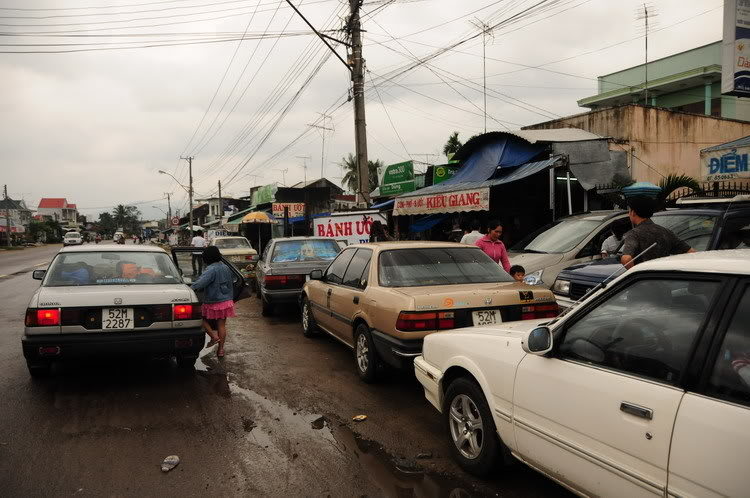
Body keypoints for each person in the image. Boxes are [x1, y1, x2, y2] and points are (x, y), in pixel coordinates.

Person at [621, 196, 695, 269]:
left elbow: (626, 259)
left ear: (633, 212)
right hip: (663, 278)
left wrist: (637, 274)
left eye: (629, 210)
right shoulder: (666, 232)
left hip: (644, 279)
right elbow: (691, 253)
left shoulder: (634, 234)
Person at [190, 246, 235, 358]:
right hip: (226, 301)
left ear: (207, 257)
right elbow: (230, 283)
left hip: (213, 301)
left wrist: (189, 289)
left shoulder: (211, 269)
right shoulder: (225, 267)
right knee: (221, 325)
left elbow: (200, 283)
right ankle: (220, 350)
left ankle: (213, 337)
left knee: (200, 319)